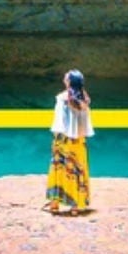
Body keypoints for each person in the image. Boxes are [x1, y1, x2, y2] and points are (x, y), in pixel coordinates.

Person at [45, 69, 93, 215]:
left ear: (70, 82)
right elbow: (86, 123)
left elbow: (59, 122)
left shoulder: (62, 98)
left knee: (59, 169)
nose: (64, 81)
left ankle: (55, 203)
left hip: (64, 139)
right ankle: (75, 206)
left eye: (66, 79)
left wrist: (56, 138)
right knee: (77, 170)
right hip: (78, 141)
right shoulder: (85, 100)